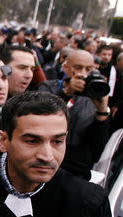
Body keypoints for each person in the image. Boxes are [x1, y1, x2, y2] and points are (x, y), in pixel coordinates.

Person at [39, 49, 110, 180]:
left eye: (89, 69)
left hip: (77, 169)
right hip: (47, 162)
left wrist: (102, 111)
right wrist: (67, 93)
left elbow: (97, 147)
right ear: (65, 67)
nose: (83, 73)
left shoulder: (93, 96)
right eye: (78, 68)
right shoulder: (49, 87)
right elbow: (42, 115)